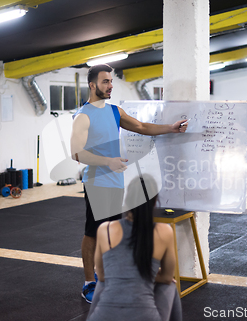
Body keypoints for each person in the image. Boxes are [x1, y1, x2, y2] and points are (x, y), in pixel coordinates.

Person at [70, 64, 188, 303]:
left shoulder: (115, 111)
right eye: (105, 82)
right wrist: (107, 161)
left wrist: (170, 128)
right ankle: (88, 283)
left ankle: (106, 275)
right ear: (92, 85)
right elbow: (76, 153)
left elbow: (142, 127)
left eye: (111, 81)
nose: (110, 85)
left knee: (113, 231)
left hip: (115, 181)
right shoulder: (83, 115)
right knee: (93, 232)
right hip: (97, 182)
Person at [87, 174, 182, 321]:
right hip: (145, 316)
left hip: (103, 317)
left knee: (103, 284)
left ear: (127, 199)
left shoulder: (105, 229)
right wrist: (148, 273)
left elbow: (102, 275)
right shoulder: (164, 231)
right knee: (170, 286)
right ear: (155, 202)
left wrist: (123, 273)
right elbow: (168, 277)